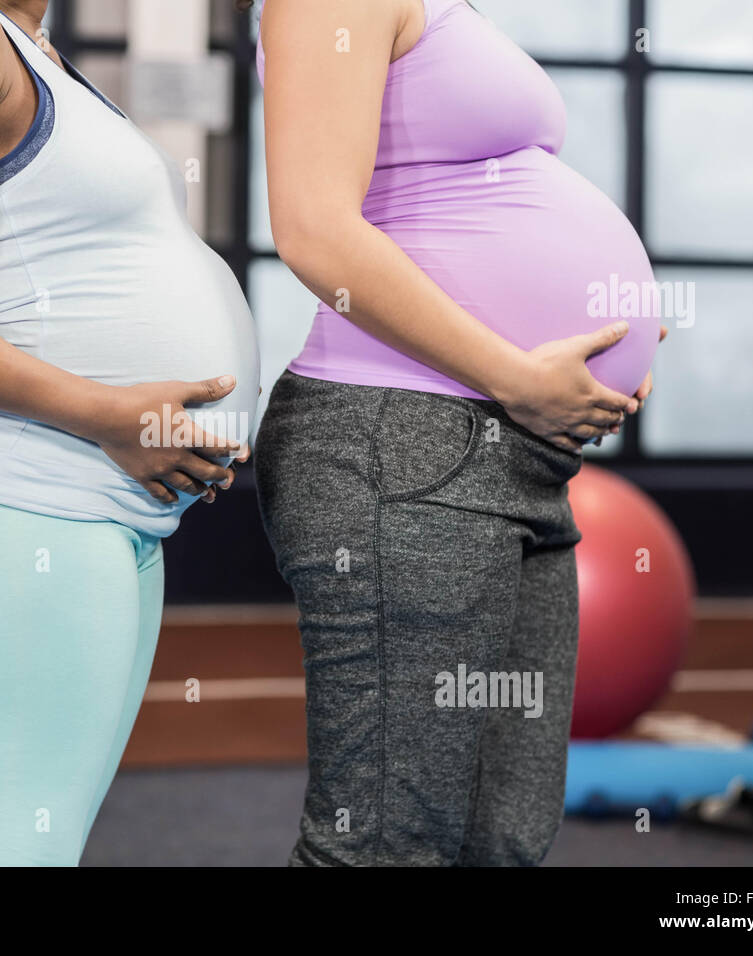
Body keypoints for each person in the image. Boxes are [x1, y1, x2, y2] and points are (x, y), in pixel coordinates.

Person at [0, 0, 259, 866]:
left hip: (98, 509)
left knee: (40, 848)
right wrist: (106, 413)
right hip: (21, 497)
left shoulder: (37, 50)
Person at [252, 0, 665, 865]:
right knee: (385, 845)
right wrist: (520, 374)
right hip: (402, 442)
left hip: (521, 456)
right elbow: (314, 230)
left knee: (500, 837)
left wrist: (614, 326)